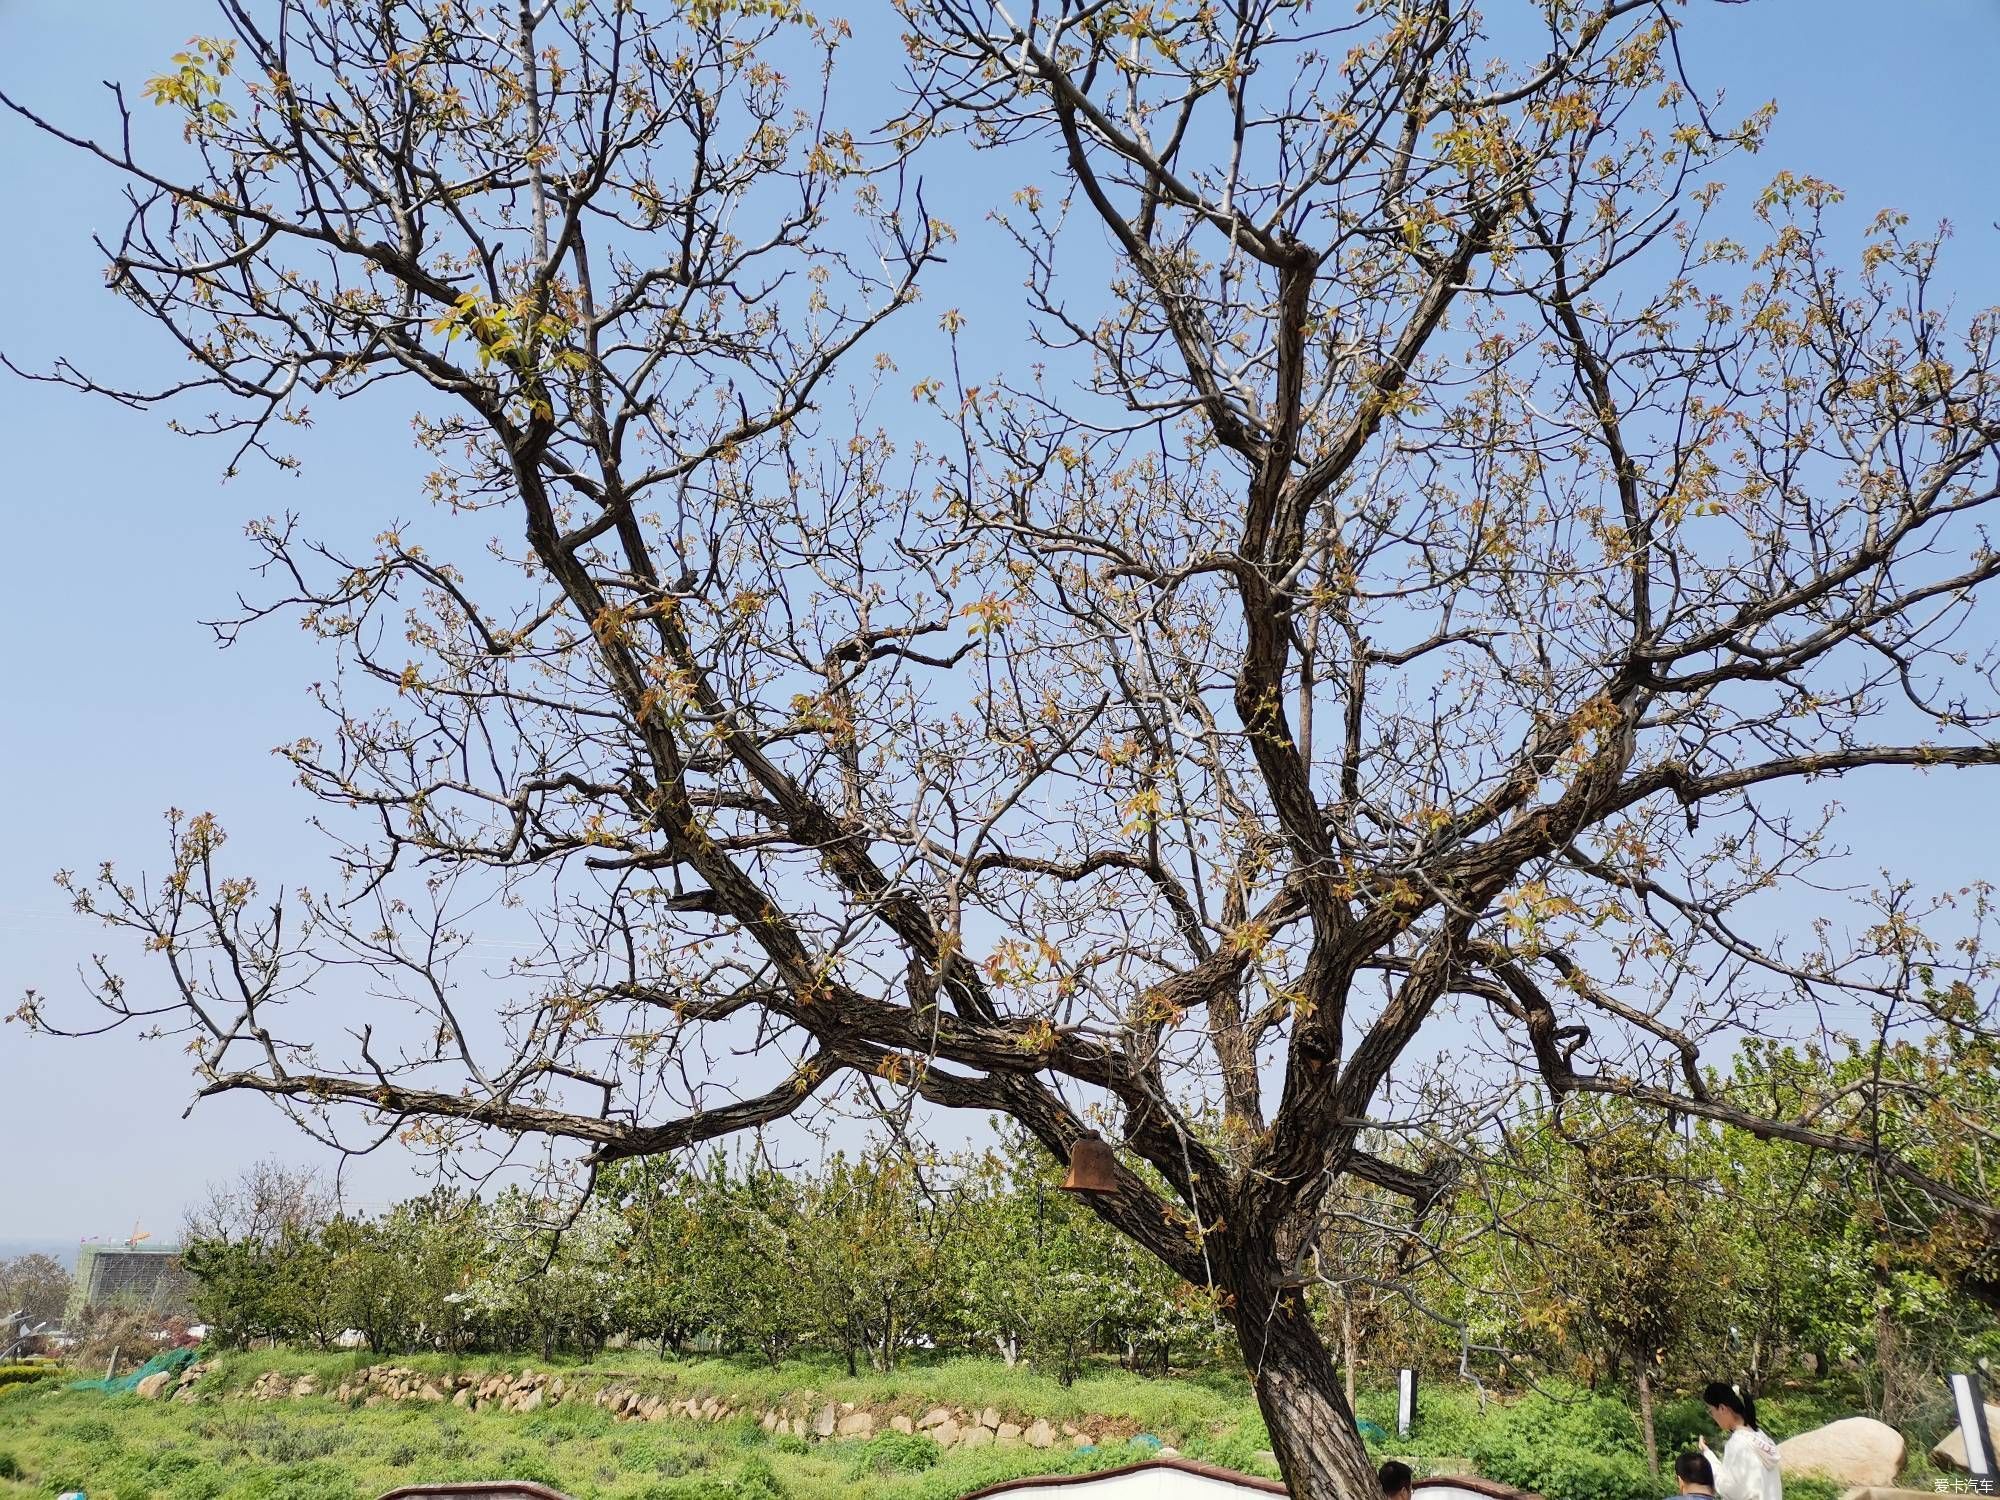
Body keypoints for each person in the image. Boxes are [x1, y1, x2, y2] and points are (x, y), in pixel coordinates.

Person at [1699, 1380, 1781, 1500]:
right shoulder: (1760, 1436)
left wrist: (1709, 1458)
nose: (1712, 1416)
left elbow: (1730, 1490)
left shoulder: (1737, 1444)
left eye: (1711, 1411)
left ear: (1722, 1408)